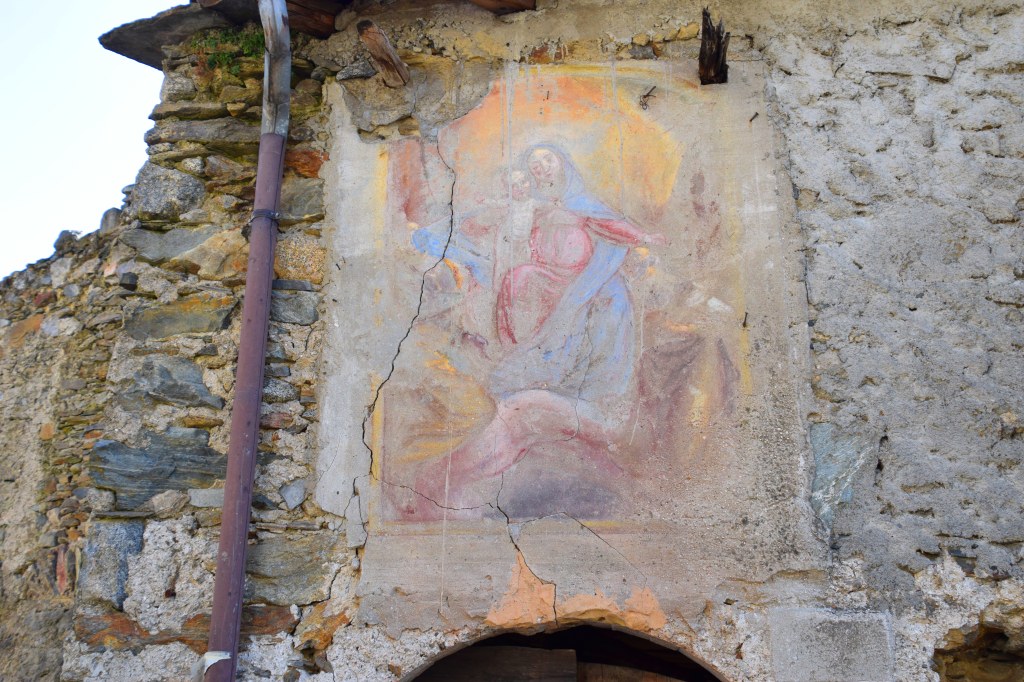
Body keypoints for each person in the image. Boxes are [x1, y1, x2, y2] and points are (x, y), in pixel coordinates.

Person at [403, 144, 666, 517]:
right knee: (518, 279)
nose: (541, 169)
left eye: (547, 161)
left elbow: (611, 226)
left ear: (563, 164)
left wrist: (644, 238)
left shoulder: (580, 203)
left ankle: (578, 381)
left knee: (584, 305)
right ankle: (527, 358)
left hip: (582, 283)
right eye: (534, 164)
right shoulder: (532, 208)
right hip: (549, 279)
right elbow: (484, 223)